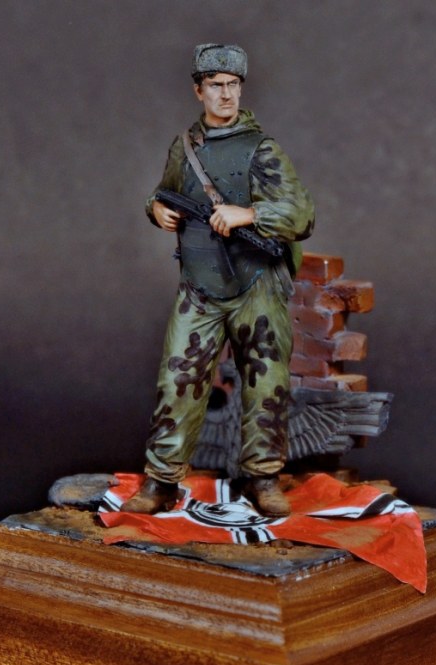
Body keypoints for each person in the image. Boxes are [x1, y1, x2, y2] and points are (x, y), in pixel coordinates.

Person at [124, 43, 314, 517]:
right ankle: (162, 480)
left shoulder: (261, 149)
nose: (226, 95)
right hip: (200, 284)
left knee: (266, 381)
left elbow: (301, 215)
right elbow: (166, 192)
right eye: (215, 85)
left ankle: (263, 476)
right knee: (178, 379)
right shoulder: (185, 147)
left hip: (256, 283)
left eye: (233, 85)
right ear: (199, 91)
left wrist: (249, 214)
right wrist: (155, 208)